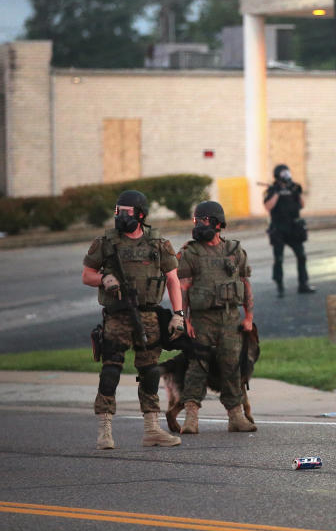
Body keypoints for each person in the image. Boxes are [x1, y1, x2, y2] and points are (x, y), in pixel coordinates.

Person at [81, 190, 184, 449]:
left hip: (148, 316)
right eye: (117, 211)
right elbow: (87, 275)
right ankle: (104, 430)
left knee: (149, 372)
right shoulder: (106, 242)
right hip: (117, 316)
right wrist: (103, 279)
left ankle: (152, 429)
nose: (120, 216)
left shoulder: (158, 243)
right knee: (111, 371)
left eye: (125, 212)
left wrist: (178, 315)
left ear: (140, 214)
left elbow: (172, 279)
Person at [176, 201, 257, 435]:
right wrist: (185, 319)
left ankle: (236, 417)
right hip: (202, 320)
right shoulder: (190, 253)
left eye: (204, 220)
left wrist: (249, 316)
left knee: (232, 366)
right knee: (197, 365)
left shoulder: (234, 252)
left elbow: (245, 284)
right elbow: (184, 287)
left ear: (218, 223)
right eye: (196, 221)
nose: (199, 225)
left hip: (230, 318)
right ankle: (191, 416)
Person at [264, 164, 314, 296]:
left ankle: (303, 284)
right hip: (278, 229)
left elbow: (302, 205)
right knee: (279, 259)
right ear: (278, 175)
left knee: (301, 256)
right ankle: (280, 286)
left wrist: (295, 191)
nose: (286, 175)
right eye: (283, 173)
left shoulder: (294, 187)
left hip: (294, 228)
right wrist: (277, 192)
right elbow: (268, 206)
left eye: (287, 172)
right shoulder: (272, 189)